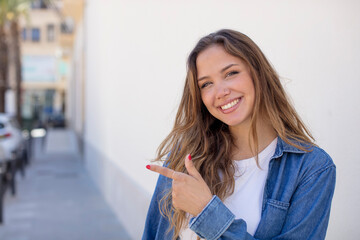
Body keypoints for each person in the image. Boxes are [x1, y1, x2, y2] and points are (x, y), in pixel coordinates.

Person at [142, 29, 336, 240]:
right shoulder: (187, 152)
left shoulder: (311, 169)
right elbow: (153, 233)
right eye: (206, 84)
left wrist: (207, 212)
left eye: (231, 73)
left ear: (258, 73)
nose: (220, 92)